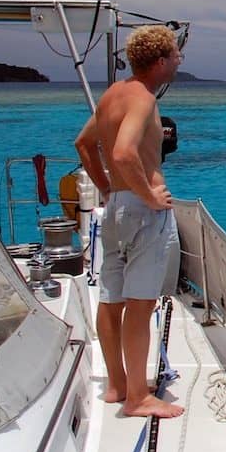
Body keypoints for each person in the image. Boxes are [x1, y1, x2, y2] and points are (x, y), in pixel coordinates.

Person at [75, 24, 185, 419]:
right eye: (175, 55)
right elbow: (122, 152)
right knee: (141, 304)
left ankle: (118, 383)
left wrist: (108, 190)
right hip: (144, 212)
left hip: (117, 210)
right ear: (159, 62)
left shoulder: (112, 95)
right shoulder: (142, 98)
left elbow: (84, 144)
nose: (179, 61)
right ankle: (138, 397)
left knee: (111, 298)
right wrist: (149, 194)